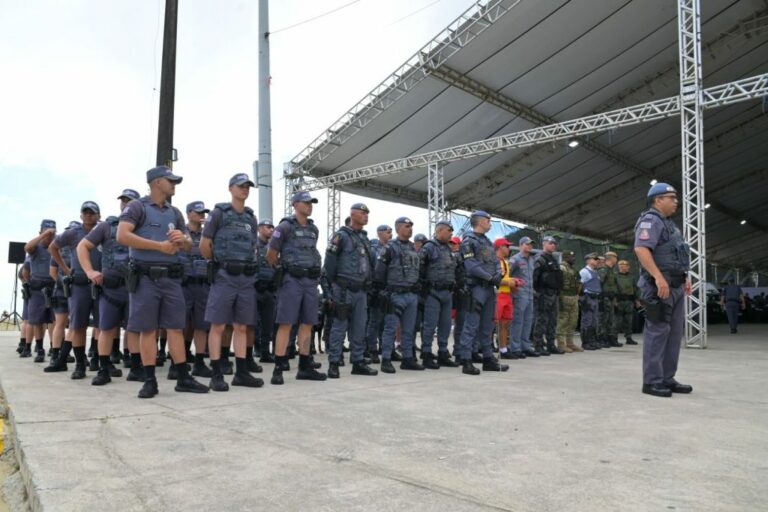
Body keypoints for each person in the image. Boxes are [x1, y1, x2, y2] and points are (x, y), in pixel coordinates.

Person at [117, 165, 209, 398]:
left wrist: (183, 239)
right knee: (148, 330)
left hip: (171, 278)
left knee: (175, 328)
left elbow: (189, 245)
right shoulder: (137, 207)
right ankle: (149, 381)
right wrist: (160, 246)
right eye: (171, 181)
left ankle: (183, 377)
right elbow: (122, 235)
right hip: (145, 277)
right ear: (157, 182)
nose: (174, 185)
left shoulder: (174, 212)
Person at [200, 173, 263, 391]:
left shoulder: (250, 218)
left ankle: (242, 372)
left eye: (247, 186)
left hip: (245, 278)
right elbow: (204, 244)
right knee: (218, 325)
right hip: (225, 275)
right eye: (240, 186)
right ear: (230, 188)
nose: (244, 189)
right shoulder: (219, 213)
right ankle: (217, 374)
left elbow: (254, 247)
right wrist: (218, 265)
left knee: (242, 327)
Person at [634, 182, 693, 398]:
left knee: (674, 334)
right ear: (658, 200)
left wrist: (685, 278)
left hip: (675, 285)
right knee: (658, 332)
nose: (676, 201)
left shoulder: (670, 225)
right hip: (659, 287)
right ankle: (652, 381)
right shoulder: (651, 220)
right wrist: (658, 278)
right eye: (671, 197)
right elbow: (641, 248)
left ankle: (667, 378)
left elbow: (676, 255)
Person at [78, 191, 141, 385]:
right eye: (123, 200)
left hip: (136, 287)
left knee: (134, 330)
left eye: (130, 201)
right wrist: (89, 271)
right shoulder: (107, 226)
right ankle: (103, 369)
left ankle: (137, 369)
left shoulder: (145, 226)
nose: (126, 204)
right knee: (105, 329)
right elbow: (82, 246)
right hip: (111, 288)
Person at [266, 190, 328, 385]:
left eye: (311, 203)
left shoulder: (313, 229)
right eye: (306, 202)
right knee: (285, 323)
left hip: (310, 282)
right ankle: (278, 367)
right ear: (295, 204)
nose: (309, 206)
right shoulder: (285, 226)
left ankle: (304, 366)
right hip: (291, 280)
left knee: (308, 323)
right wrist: (283, 270)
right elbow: (271, 254)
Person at [48, 202, 102, 378]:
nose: (88, 216)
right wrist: (64, 268)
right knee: (78, 326)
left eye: (92, 213)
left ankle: (102, 363)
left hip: (101, 284)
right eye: (85, 213)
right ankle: (80, 365)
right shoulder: (73, 233)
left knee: (103, 326)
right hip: (79, 284)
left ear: (98, 215)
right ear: (80, 216)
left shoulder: (103, 231)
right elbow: (53, 247)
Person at [323, 203, 378, 377]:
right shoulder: (341, 236)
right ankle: (334, 363)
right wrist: (331, 289)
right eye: (362, 213)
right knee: (339, 327)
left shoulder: (364, 238)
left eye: (367, 213)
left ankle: (358, 361)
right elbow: (329, 264)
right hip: (343, 289)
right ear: (352, 214)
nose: (366, 216)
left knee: (359, 327)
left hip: (361, 291)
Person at [456, 211, 508, 375]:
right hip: (476, 288)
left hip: (488, 288)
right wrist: (490, 277)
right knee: (471, 325)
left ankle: (488, 358)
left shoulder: (486, 241)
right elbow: (471, 265)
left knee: (487, 325)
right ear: (480, 222)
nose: (490, 223)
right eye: (488, 220)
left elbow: (495, 262)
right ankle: (466, 360)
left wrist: (498, 275)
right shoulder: (468, 241)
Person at [374, 217, 424, 373]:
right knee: (390, 328)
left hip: (411, 294)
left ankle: (408, 359)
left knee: (409, 329)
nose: (410, 229)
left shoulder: (412, 248)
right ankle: (386, 359)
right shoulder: (389, 247)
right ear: (398, 229)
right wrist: (383, 292)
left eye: (411, 226)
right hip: (395, 294)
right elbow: (379, 271)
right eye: (407, 226)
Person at [419, 219, 461, 369]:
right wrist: (424, 291)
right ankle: (426, 353)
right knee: (430, 325)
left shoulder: (448, 249)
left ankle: (443, 352)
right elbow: (420, 269)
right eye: (449, 230)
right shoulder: (429, 247)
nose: (451, 233)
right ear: (439, 230)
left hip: (447, 292)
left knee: (445, 324)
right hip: (433, 292)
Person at [181, 200, 213, 377]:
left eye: (203, 213)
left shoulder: (207, 235)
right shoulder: (181, 232)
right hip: (183, 284)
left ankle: (199, 362)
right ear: (189, 214)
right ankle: (178, 360)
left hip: (202, 285)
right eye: (198, 212)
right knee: (180, 325)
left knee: (201, 325)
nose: (201, 216)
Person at [23, 219, 57, 361]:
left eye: (52, 232)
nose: (50, 235)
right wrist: (43, 236)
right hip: (37, 288)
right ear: (41, 232)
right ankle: (40, 349)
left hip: (54, 286)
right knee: (37, 320)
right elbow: (27, 247)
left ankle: (55, 349)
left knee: (55, 320)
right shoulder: (36, 248)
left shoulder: (56, 247)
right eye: (46, 232)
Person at [364, 224, 392, 363]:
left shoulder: (392, 248)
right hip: (376, 290)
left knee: (388, 322)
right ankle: (372, 350)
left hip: (390, 289)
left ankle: (387, 349)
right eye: (387, 232)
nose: (390, 234)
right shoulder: (373, 250)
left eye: (391, 232)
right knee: (374, 322)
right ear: (379, 233)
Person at [532, 236, 564, 355]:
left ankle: (551, 344)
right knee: (541, 320)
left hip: (553, 294)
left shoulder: (554, 259)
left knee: (552, 320)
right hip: (543, 294)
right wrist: (537, 293)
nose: (553, 245)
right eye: (551, 243)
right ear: (544, 244)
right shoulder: (540, 259)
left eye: (554, 244)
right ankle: (538, 345)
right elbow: (534, 277)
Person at [509, 236, 538, 358]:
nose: (529, 246)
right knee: (518, 321)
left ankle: (525, 346)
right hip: (519, 294)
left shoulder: (531, 259)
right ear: (521, 245)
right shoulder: (515, 259)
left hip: (530, 294)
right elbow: (507, 275)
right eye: (526, 244)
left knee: (528, 321)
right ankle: (515, 347)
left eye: (531, 244)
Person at [254, 219, 277, 363]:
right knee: (253, 323)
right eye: (268, 227)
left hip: (269, 289)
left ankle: (265, 352)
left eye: (272, 228)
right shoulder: (253, 245)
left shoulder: (273, 247)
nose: (271, 230)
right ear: (259, 229)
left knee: (268, 323)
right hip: (254, 288)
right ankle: (253, 350)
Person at [493, 238, 520, 359]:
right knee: (493, 323)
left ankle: (503, 349)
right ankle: (487, 349)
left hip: (507, 295)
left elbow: (505, 279)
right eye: (507, 246)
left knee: (505, 323)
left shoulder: (505, 262)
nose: (509, 249)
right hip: (497, 295)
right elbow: (494, 279)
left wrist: (514, 282)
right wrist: (510, 281)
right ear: (500, 247)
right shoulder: (493, 261)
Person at [556, 251, 582, 353]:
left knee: (573, 321)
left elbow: (579, 282)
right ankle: (561, 344)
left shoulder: (573, 269)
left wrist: (577, 294)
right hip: (564, 296)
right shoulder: (561, 268)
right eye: (571, 257)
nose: (573, 258)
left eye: (574, 256)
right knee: (563, 321)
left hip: (574, 297)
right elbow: (558, 283)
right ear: (566, 257)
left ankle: (570, 343)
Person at [597, 251, 622, 348]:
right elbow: (599, 283)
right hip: (604, 297)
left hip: (611, 298)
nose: (616, 259)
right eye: (615, 257)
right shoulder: (604, 269)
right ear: (611, 258)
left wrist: (615, 299)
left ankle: (609, 338)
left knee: (610, 319)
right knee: (603, 319)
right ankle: (601, 338)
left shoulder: (612, 270)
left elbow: (614, 286)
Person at [578, 253, 602, 351]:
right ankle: (585, 342)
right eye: (594, 259)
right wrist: (580, 297)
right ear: (588, 260)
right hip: (587, 297)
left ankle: (592, 341)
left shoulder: (595, 272)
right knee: (587, 320)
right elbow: (580, 285)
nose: (597, 261)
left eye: (597, 259)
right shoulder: (584, 271)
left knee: (593, 321)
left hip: (595, 297)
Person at [615, 260, 640, 345]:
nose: (628, 267)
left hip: (629, 301)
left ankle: (628, 338)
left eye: (628, 265)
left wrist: (637, 300)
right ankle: (614, 338)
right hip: (619, 301)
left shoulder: (631, 277)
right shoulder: (616, 276)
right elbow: (613, 289)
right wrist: (615, 301)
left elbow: (635, 289)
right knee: (617, 321)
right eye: (626, 265)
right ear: (621, 266)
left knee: (629, 321)